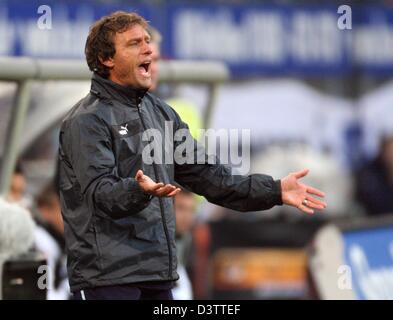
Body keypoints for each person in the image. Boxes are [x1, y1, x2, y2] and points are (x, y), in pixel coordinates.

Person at [58, 11, 326, 300]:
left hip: (157, 274)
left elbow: (210, 178)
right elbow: (100, 194)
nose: (148, 49)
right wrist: (138, 190)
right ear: (106, 59)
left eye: (148, 41)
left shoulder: (161, 113)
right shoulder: (86, 121)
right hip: (107, 279)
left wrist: (273, 189)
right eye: (135, 43)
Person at [355, 133, 393, 215]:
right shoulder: (369, 174)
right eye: (390, 151)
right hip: (375, 221)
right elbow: (376, 203)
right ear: (383, 152)